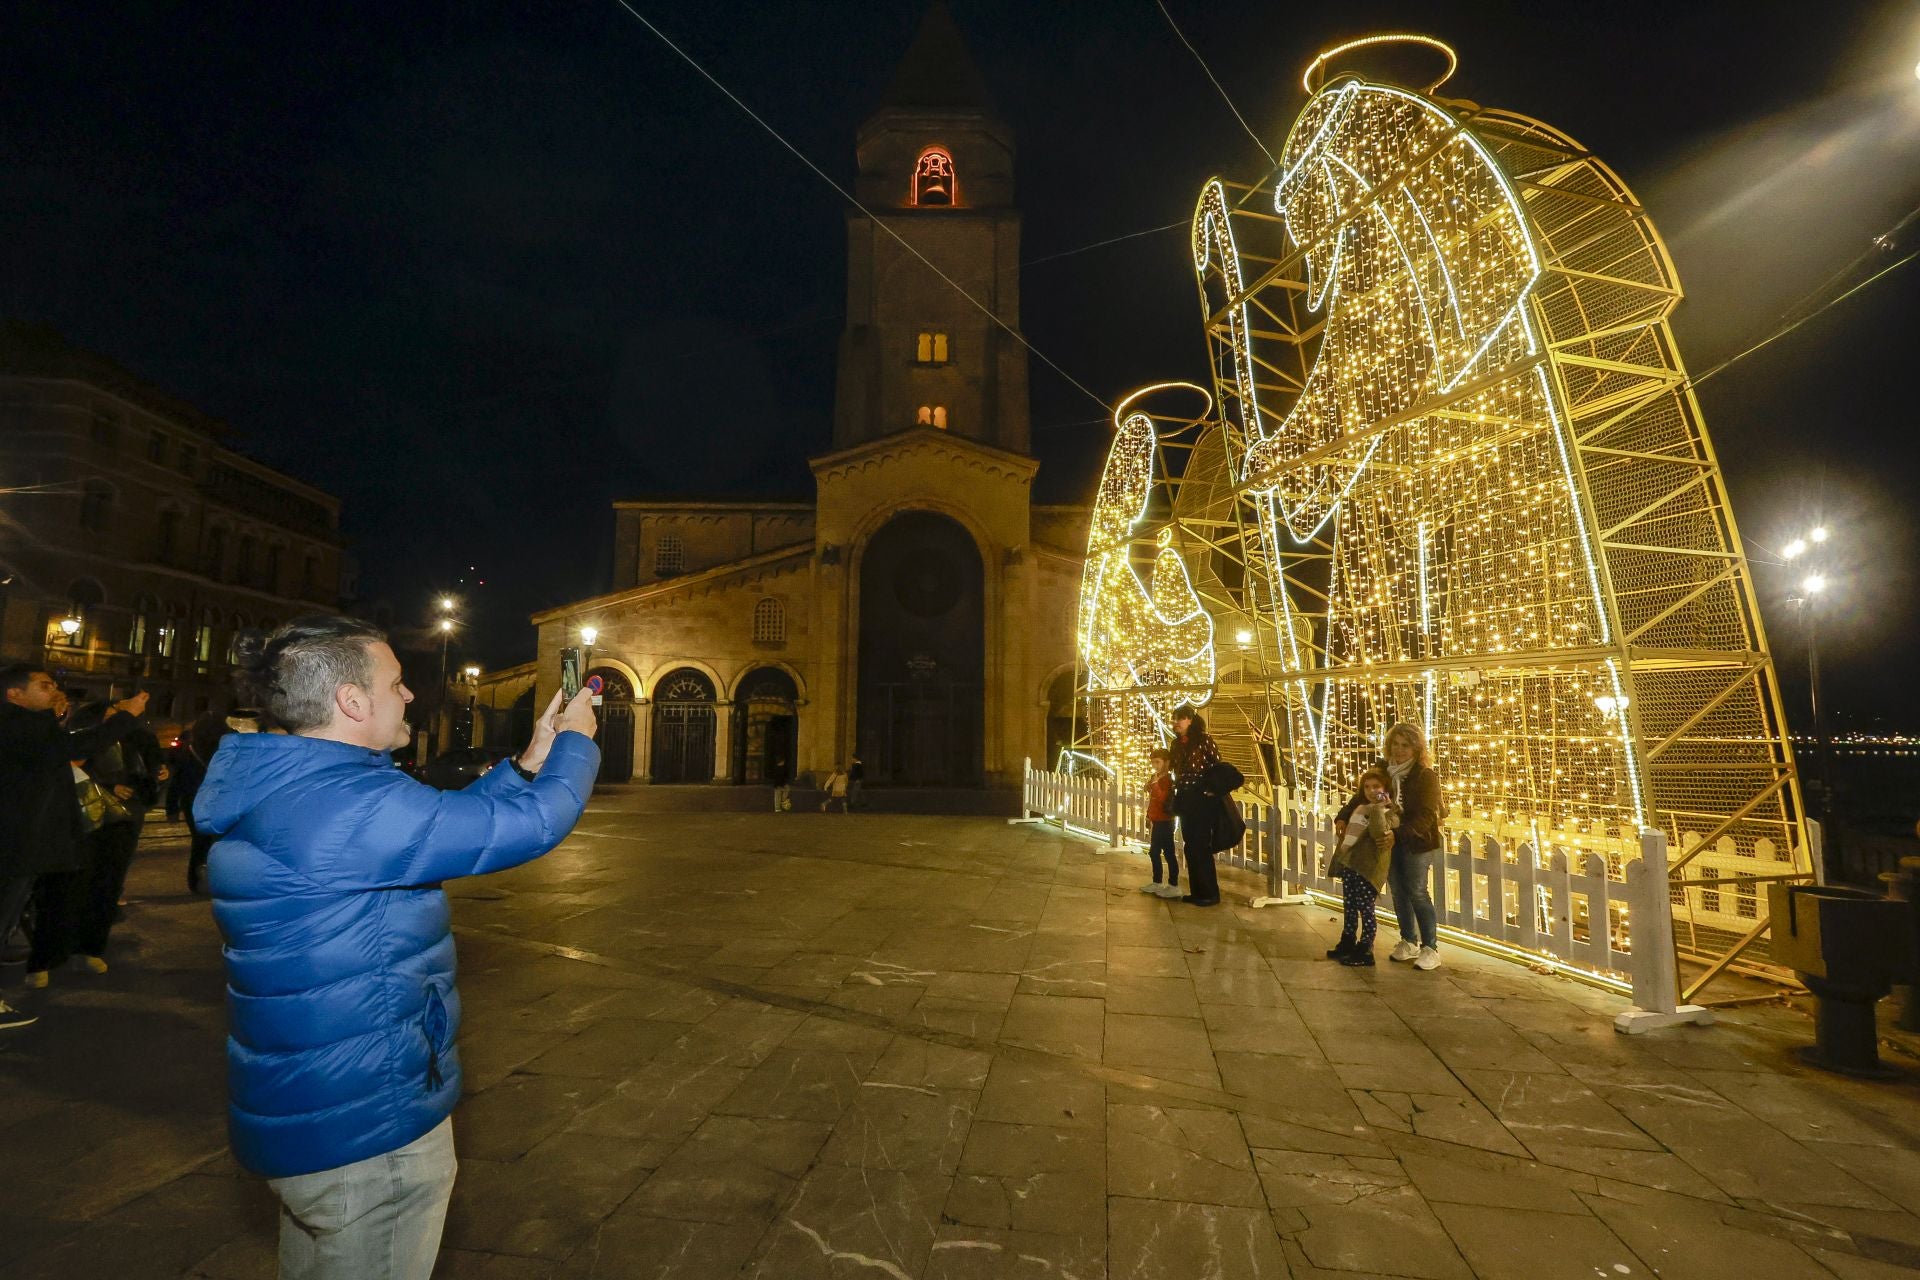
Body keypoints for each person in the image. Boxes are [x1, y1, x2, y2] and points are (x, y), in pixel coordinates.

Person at [195, 616, 599, 1280]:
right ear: (352, 702)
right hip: (368, 1129)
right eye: (395, 683)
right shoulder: (350, 803)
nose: (410, 695)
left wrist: (530, 762)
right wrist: (577, 744)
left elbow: (440, 827)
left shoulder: (297, 788)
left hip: (313, 1114)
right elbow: (532, 826)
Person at [0, 665, 146, 1004]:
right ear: (15, 694)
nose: (53, 690)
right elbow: (79, 746)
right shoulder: (16, 724)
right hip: (17, 838)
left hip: (23, 838)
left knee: (11, 909)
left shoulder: (24, 723)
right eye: (43, 685)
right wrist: (125, 717)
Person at [1338, 721, 1445, 970]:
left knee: (1417, 891)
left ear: (1417, 749)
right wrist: (1343, 815)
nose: (1399, 750)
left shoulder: (1424, 776)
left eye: (1405, 746)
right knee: (1397, 889)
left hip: (1416, 841)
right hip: (1387, 838)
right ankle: (1408, 939)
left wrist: (1399, 833)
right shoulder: (1385, 770)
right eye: (1395, 744)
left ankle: (1431, 946)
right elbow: (1361, 794)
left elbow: (1426, 815)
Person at [1324, 765, 1399, 966]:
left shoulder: (1389, 812)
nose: (1372, 791)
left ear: (1386, 789)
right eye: (1367, 787)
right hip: (1351, 863)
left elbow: (1378, 833)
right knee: (1349, 905)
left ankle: (1366, 948)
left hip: (1368, 867)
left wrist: (1377, 809)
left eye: (1376, 787)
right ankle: (1348, 940)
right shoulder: (1360, 808)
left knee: (1366, 908)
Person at [1170, 706, 1222, 906]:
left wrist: (1211, 789)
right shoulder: (1176, 744)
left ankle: (1210, 893)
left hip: (1201, 798)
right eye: (1174, 719)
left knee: (1201, 845)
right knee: (1190, 845)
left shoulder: (1203, 740)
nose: (1176, 723)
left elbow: (1217, 765)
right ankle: (1197, 891)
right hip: (1184, 797)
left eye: (1180, 719)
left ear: (1190, 720)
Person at [178, 710, 230, 893]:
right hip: (217, 799)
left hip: (192, 800)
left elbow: (178, 778)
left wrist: (171, 807)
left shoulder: (190, 748)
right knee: (217, 842)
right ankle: (212, 881)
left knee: (199, 842)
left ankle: (196, 882)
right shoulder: (225, 747)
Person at [1140, 748, 1179, 898]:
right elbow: (1153, 799)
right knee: (1155, 852)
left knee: (1167, 853)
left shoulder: (1168, 780)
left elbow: (1162, 798)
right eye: (1153, 762)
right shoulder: (1156, 777)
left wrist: (1155, 785)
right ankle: (1157, 882)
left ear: (1166, 763)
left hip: (1165, 821)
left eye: (1158, 762)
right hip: (1157, 819)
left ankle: (1173, 884)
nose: (1155, 766)